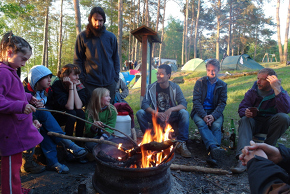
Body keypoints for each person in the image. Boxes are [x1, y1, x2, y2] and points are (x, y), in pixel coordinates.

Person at [0, 31, 43, 194]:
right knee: (11, 166)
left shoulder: (9, 71)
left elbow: (13, 93)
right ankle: (11, 191)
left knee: (16, 164)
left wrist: (29, 97)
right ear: (10, 53)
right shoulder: (2, 73)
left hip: (16, 130)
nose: (24, 64)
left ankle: (15, 188)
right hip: (10, 131)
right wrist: (20, 106)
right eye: (23, 59)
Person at [24, 65, 88, 173]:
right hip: (29, 119)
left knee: (48, 130)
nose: (50, 80)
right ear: (37, 79)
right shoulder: (26, 91)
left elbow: (78, 105)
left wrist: (72, 87)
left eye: (50, 77)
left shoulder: (47, 90)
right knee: (44, 114)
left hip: (44, 120)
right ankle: (68, 145)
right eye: (46, 77)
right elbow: (24, 109)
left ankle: (53, 162)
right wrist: (35, 117)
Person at [231, 68, 290, 174]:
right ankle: (243, 157)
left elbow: (285, 110)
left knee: (284, 118)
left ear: (271, 80)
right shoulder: (252, 92)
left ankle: (268, 151)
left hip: (270, 123)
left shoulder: (279, 92)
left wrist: (277, 90)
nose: (258, 82)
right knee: (245, 120)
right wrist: (246, 111)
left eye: (262, 79)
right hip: (254, 123)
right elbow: (241, 108)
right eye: (258, 78)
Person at [136, 64, 191, 158]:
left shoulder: (175, 87)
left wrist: (171, 109)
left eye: (161, 74)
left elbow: (183, 104)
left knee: (184, 113)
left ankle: (181, 143)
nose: (158, 76)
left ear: (168, 75)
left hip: (171, 117)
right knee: (140, 113)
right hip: (156, 117)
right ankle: (150, 140)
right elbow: (144, 104)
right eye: (157, 73)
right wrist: (156, 113)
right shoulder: (151, 87)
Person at [74, 6, 120, 104]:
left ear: (104, 21)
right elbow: (78, 60)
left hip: (109, 83)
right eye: (95, 20)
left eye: (101, 20)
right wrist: (82, 78)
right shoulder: (82, 37)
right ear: (90, 19)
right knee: (92, 112)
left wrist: (115, 78)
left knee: (108, 111)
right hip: (90, 83)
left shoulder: (111, 37)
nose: (98, 23)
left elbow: (116, 58)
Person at [190, 59, 227, 166]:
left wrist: (213, 116)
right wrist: (204, 116)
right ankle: (215, 149)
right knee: (201, 124)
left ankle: (213, 153)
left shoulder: (222, 85)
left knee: (216, 125)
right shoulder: (200, 82)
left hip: (215, 112)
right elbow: (196, 101)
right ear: (206, 70)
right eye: (209, 70)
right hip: (200, 111)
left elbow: (222, 103)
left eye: (214, 70)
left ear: (218, 70)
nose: (211, 72)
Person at [51, 64, 87, 141]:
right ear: (65, 76)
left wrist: (74, 86)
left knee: (80, 113)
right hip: (59, 114)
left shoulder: (79, 85)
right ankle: (68, 142)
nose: (77, 77)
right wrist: (71, 86)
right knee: (72, 113)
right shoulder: (58, 85)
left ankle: (79, 141)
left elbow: (78, 106)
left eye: (78, 75)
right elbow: (69, 107)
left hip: (73, 112)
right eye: (74, 75)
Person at [84, 88, 117, 152]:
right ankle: (102, 152)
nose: (110, 98)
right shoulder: (89, 111)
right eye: (107, 96)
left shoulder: (112, 110)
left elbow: (110, 127)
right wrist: (93, 127)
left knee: (109, 144)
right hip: (95, 137)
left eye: (109, 96)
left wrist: (103, 137)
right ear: (99, 98)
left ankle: (101, 152)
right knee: (89, 145)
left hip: (107, 136)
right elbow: (88, 132)